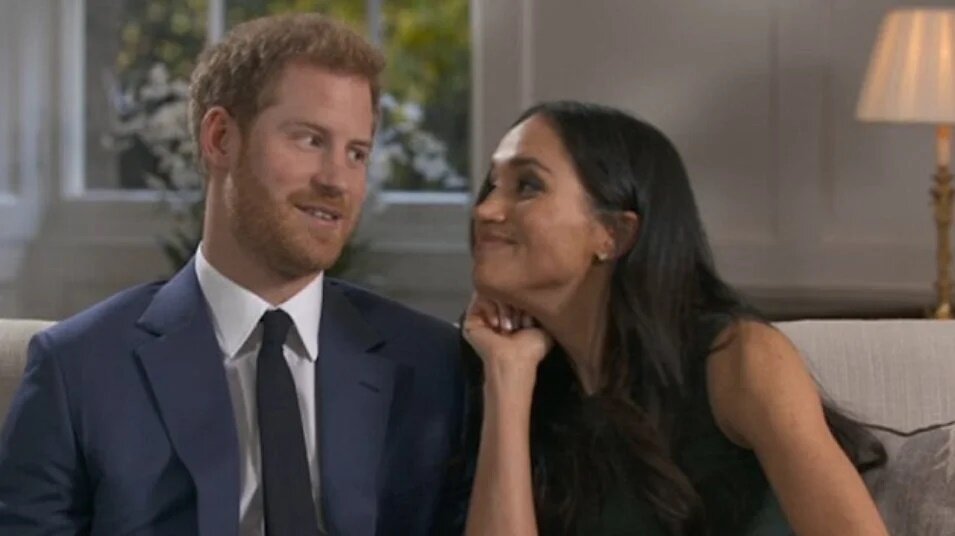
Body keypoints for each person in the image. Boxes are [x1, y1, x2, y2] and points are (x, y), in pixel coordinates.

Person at [0, 14, 468, 535]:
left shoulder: (432, 364)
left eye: (356, 153)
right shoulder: (78, 370)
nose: (338, 180)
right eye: (310, 140)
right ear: (220, 138)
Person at [460, 100, 889, 535]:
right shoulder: (527, 380)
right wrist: (508, 376)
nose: (485, 210)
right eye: (492, 185)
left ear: (613, 234)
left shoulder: (740, 358)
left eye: (528, 186)